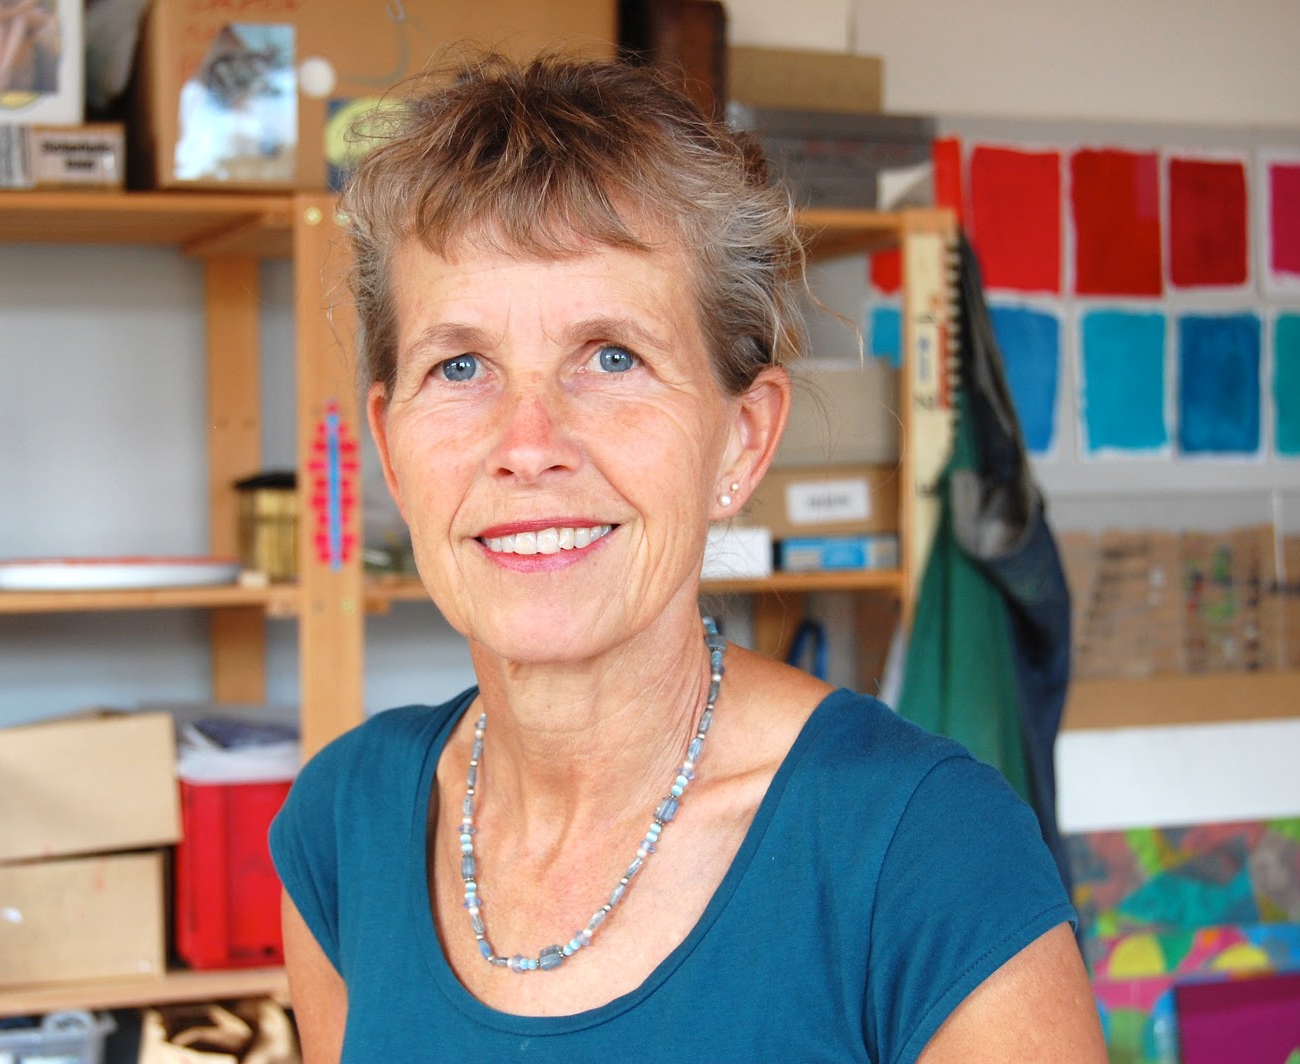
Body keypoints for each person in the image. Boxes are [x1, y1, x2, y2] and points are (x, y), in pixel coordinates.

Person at [269, 53, 1107, 1063]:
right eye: (460, 365)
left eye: (611, 356)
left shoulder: (926, 851)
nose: (527, 444)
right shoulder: (343, 829)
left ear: (742, 441)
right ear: (391, 447)